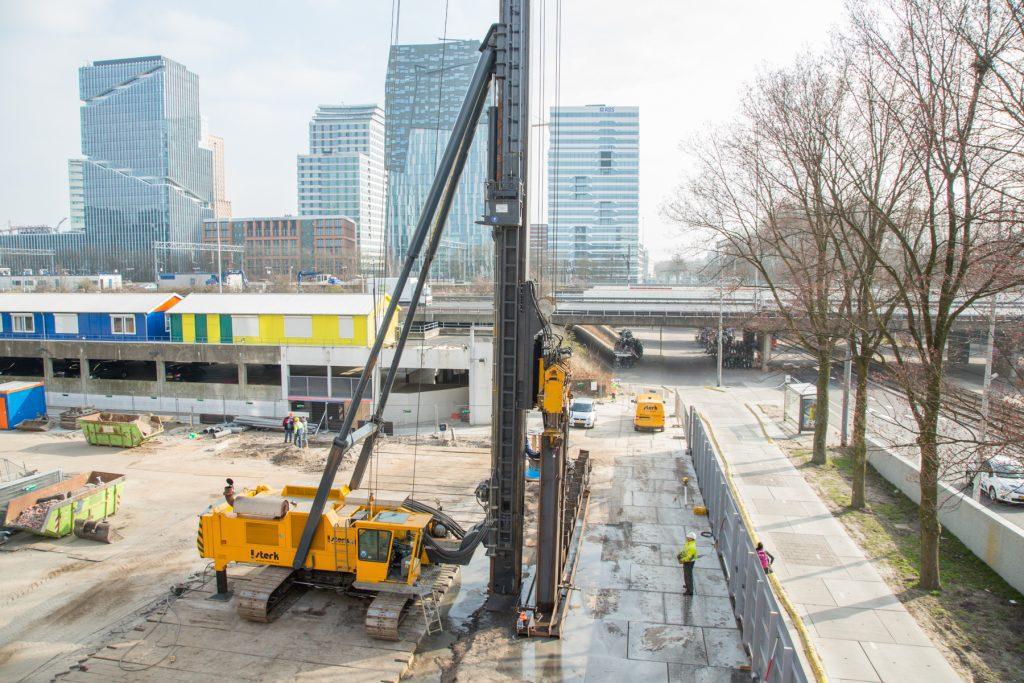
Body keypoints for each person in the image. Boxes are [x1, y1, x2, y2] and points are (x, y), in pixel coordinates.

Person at [677, 531, 698, 596]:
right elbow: (685, 551)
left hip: (689, 563)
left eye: (688, 537)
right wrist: (680, 554)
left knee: (688, 576)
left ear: (691, 539)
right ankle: (687, 585)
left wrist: (682, 560)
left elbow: (689, 558)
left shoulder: (692, 547)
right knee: (686, 575)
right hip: (687, 561)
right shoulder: (688, 543)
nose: (687, 538)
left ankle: (689, 591)